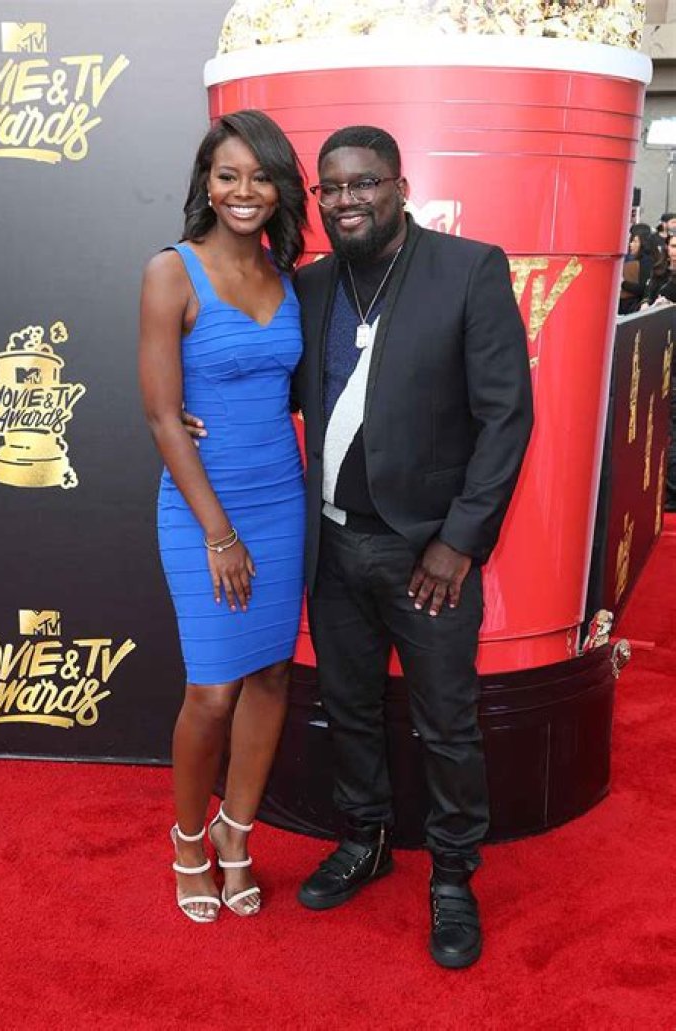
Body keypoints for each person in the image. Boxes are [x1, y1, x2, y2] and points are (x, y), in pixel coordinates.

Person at [185, 123, 533, 968]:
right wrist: (197, 411)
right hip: (332, 546)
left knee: (446, 724)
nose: (347, 200)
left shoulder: (468, 269)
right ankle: (365, 838)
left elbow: (506, 417)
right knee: (349, 710)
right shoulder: (308, 285)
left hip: (429, 557)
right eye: (332, 187)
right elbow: (266, 378)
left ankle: (453, 876)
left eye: (365, 183)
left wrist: (459, 541)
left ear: (400, 187)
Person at [139, 110, 307, 924]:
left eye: (261, 176)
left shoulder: (290, 275)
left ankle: (236, 832)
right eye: (228, 175)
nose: (245, 191)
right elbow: (163, 416)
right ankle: (186, 841)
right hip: (205, 510)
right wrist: (219, 533)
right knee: (211, 691)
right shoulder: (171, 272)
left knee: (273, 672)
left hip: (283, 498)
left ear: (281, 188)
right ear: (206, 183)